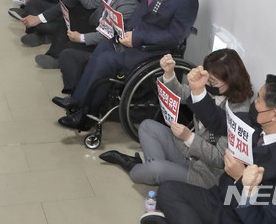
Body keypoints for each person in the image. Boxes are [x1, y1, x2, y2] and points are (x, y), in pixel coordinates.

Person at [53, 0, 199, 130]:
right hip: (130, 34)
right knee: (103, 47)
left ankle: (85, 114)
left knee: (108, 60)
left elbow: (175, 36)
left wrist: (138, 38)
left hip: (152, 50)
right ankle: (79, 102)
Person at [146, 72, 276, 224]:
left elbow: (269, 214)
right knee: (167, 191)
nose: (254, 103)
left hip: (242, 215)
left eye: (258, 100)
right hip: (219, 196)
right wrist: (198, 91)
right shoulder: (258, 117)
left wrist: (241, 177)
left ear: (274, 115)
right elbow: (221, 121)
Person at [100, 50, 253, 189]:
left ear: (231, 79)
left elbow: (220, 159)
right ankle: (160, 175)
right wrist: (169, 73)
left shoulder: (239, 110)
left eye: (213, 81)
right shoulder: (211, 87)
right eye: (208, 79)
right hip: (189, 154)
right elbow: (180, 92)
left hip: (206, 172)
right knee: (147, 126)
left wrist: (189, 137)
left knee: (153, 170)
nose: (208, 83)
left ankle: (138, 168)